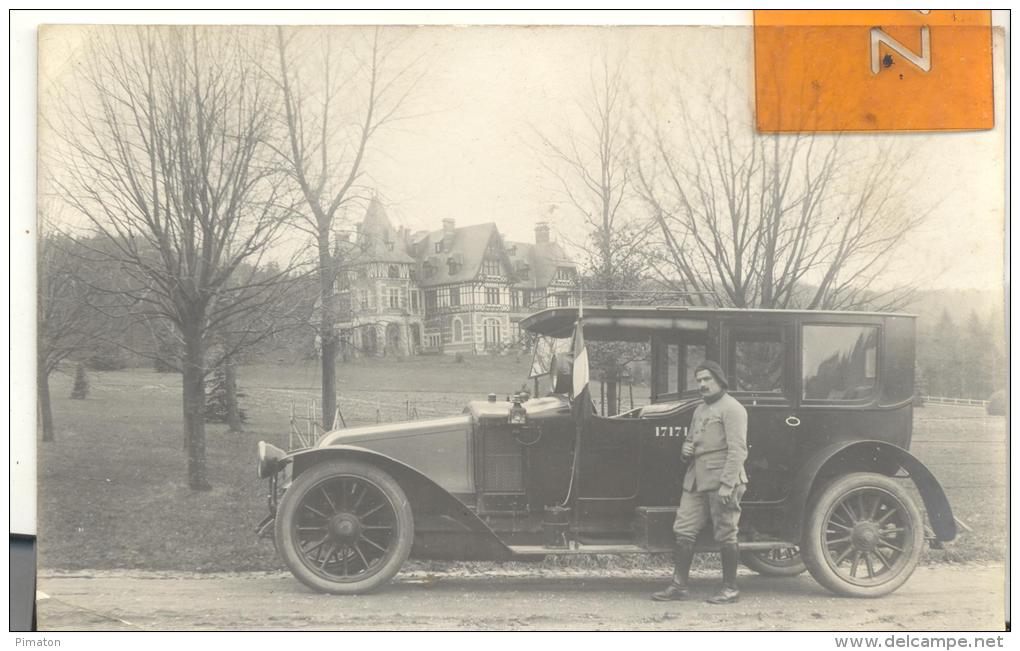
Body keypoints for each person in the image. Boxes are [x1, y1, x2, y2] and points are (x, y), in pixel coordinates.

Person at [652, 360, 748, 604]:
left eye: (707, 379)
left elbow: (738, 450)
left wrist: (728, 484)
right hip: (695, 479)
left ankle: (730, 588)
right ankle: (679, 585)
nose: (702, 385)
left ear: (719, 380)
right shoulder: (700, 409)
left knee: (726, 532)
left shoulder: (733, 409)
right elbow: (693, 441)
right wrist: (686, 449)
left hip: (721, 479)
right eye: (699, 380)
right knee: (683, 529)